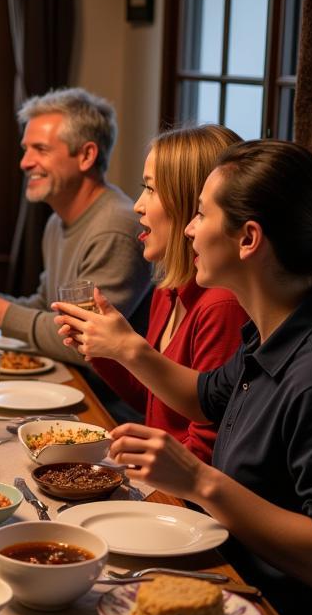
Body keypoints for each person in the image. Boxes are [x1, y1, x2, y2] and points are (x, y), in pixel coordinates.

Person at [59, 140, 312, 615]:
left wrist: (199, 480)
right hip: (224, 584)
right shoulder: (266, 334)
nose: (190, 229)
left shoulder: (309, 373)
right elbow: (203, 397)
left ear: (248, 238)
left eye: (200, 214)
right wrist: (125, 348)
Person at [56, 125, 247, 463]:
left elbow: (205, 451)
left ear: (191, 203)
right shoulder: (170, 288)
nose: (138, 206)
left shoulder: (222, 305)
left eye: (151, 189)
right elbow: (152, 400)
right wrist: (105, 350)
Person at [0, 87, 152, 364]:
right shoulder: (57, 221)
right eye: (26, 150)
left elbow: (84, 341)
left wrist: (1, 313)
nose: (24, 162)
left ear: (86, 156)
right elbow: (46, 308)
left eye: (41, 150)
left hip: (106, 402)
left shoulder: (114, 227)